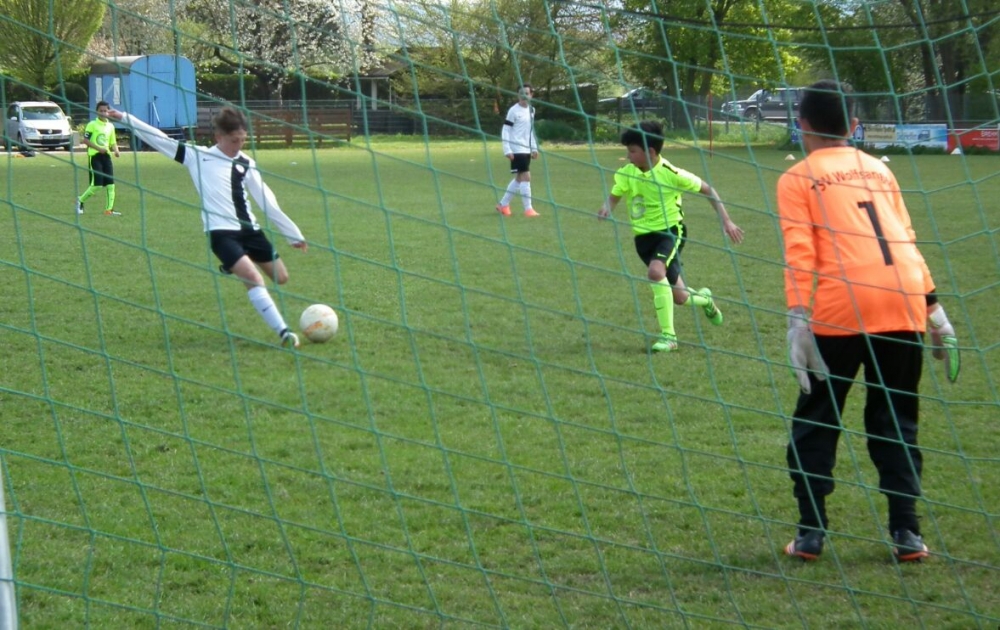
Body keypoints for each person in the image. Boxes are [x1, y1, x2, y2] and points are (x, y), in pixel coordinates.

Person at [778, 79, 960, 563]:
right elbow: (905, 239)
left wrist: (798, 319)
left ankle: (811, 533)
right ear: (855, 126)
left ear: (801, 124)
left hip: (841, 307)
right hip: (903, 299)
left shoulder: (797, 177)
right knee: (895, 420)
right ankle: (907, 532)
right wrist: (933, 308)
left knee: (817, 419)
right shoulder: (880, 170)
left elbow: (800, 252)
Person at [107, 106, 308, 348]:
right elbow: (160, 139)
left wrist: (292, 234)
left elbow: (267, 200)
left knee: (281, 277)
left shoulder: (246, 163)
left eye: (243, 140)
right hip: (221, 233)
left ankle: (234, 263)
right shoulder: (197, 156)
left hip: (250, 231)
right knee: (253, 278)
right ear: (218, 137)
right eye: (234, 140)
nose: (239, 145)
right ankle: (284, 333)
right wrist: (126, 118)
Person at [598, 120, 744, 352]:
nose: (628, 156)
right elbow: (615, 195)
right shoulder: (626, 173)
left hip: (670, 233)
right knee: (681, 297)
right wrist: (607, 207)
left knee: (655, 273)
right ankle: (706, 300)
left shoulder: (670, 173)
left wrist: (727, 221)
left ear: (650, 151)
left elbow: (708, 189)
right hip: (642, 240)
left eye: (632, 151)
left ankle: (669, 336)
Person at [496, 84, 540, 217]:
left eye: (526, 93)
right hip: (516, 148)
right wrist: (507, 149)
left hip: (526, 149)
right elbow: (506, 130)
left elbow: (530, 131)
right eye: (521, 93)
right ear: (518, 95)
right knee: (526, 176)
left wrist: (534, 148)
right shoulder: (513, 111)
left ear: (531, 95)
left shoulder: (532, 110)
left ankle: (503, 205)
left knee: (519, 178)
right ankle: (528, 209)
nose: (523, 96)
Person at [76, 101, 121, 216]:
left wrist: (116, 150)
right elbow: (85, 140)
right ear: (97, 111)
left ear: (108, 112)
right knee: (97, 185)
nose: (103, 113)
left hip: (106, 157)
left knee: (111, 185)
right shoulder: (92, 124)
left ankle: (109, 210)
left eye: (105, 111)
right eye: (101, 111)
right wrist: (99, 149)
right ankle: (80, 200)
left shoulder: (110, 126)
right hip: (95, 157)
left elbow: (113, 142)